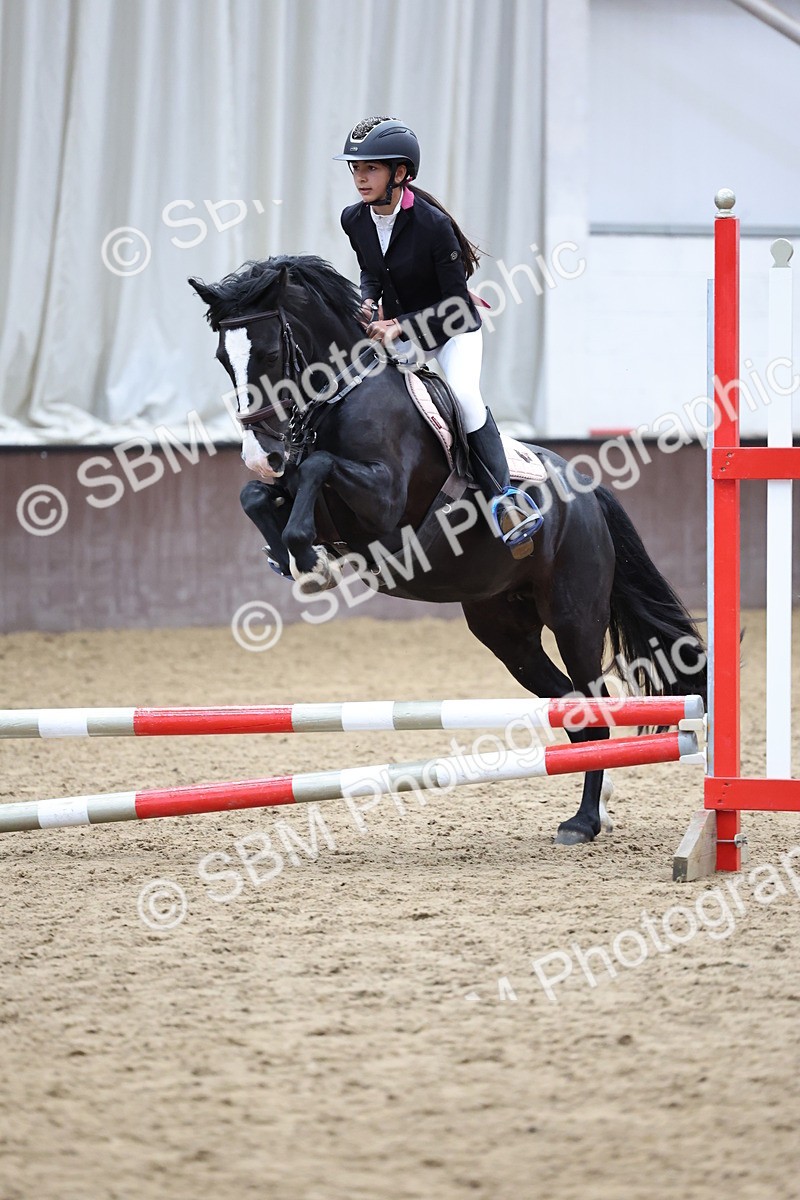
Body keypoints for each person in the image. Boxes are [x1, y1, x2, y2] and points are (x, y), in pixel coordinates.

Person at [335, 116, 542, 554]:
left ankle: (505, 499)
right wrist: (369, 301)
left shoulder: (432, 225)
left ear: (400, 173)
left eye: (371, 168)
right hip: (403, 332)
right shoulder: (353, 219)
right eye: (356, 168)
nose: (360, 178)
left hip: (451, 330)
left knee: (463, 395)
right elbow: (371, 271)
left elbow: (456, 305)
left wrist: (399, 325)